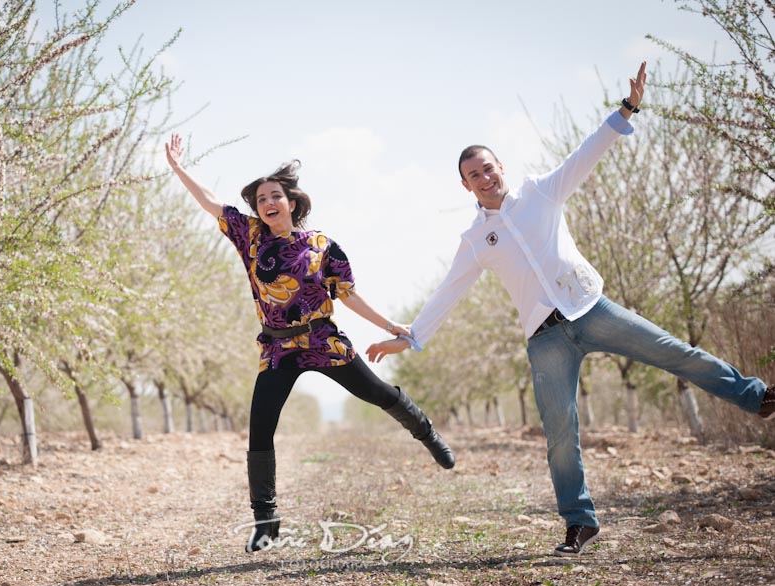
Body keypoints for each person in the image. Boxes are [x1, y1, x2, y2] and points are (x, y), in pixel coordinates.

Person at [367, 61, 775, 557]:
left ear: (501, 167)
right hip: (546, 337)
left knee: (676, 353)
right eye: (473, 175)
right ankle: (580, 522)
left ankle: (757, 399)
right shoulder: (475, 240)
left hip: (590, 308)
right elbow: (448, 291)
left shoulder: (541, 191)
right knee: (561, 432)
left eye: (488, 167)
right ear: (466, 186)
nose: (484, 176)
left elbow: (586, 155)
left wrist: (626, 109)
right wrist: (409, 336)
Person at [164, 138, 455, 553]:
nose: (267, 202)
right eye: (261, 198)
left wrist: (392, 324)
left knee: (375, 392)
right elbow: (211, 202)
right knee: (260, 428)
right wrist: (178, 168)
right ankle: (266, 522)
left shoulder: (322, 246)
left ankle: (424, 431)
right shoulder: (249, 238)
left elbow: (349, 295)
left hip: (322, 339)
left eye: (274, 196)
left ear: (291, 202)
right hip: (278, 349)